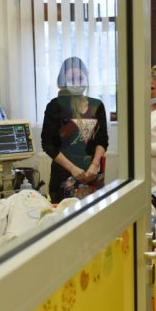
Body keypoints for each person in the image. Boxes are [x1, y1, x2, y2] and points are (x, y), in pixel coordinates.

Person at [42, 57, 109, 203]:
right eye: (71, 79)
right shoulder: (55, 106)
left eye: (80, 78)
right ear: (63, 81)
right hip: (64, 175)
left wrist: (95, 165)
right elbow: (48, 144)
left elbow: (102, 140)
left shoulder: (97, 105)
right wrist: (72, 168)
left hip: (92, 173)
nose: (77, 83)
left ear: (87, 77)